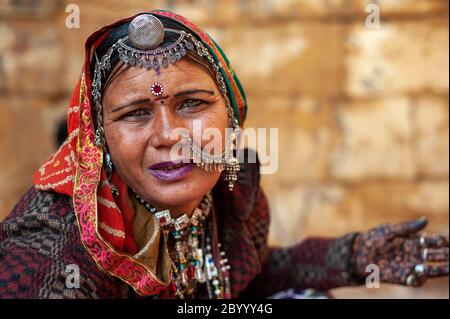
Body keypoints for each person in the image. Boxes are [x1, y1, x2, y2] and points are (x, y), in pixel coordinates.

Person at [0, 10, 447, 299]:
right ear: (100, 139)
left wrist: (352, 257)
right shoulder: (56, 249)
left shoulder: (232, 188)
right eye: (135, 114)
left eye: (192, 104)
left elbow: (243, 280)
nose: (170, 135)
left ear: (231, 117)